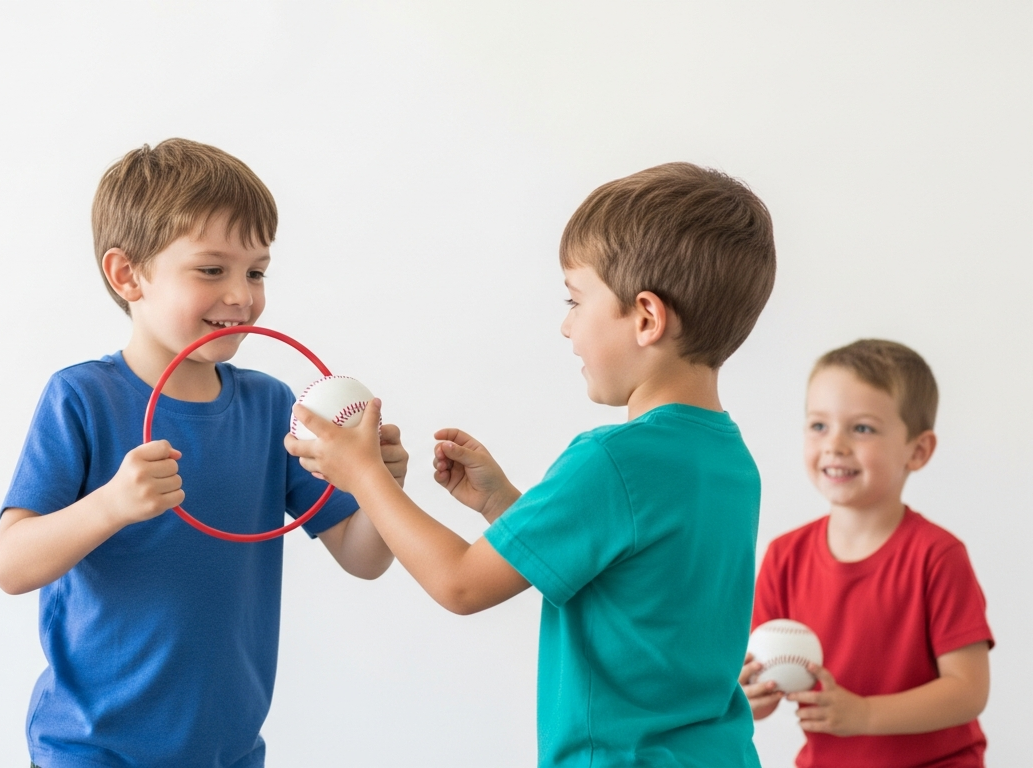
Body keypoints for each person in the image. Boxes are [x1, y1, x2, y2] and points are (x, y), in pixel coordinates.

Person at [287, 162, 776, 767]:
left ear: (646, 318)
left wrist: (363, 472)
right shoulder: (727, 459)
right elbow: (627, 585)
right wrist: (502, 505)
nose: (567, 325)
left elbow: (461, 584)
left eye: (576, 300)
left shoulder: (611, 460)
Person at [0, 138, 400, 768]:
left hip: (226, 751)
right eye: (212, 270)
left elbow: (361, 556)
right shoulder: (82, 398)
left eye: (256, 271)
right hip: (91, 748)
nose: (242, 295)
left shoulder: (270, 407)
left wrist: (378, 486)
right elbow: (11, 566)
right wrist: (112, 505)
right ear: (128, 275)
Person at [741, 339, 992, 767]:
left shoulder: (937, 556)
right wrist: (750, 697)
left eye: (862, 428)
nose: (835, 444)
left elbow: (968, 690)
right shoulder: (785, 556)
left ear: (918, 450)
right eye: (819, 425)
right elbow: (761, 691)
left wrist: (866, 714)